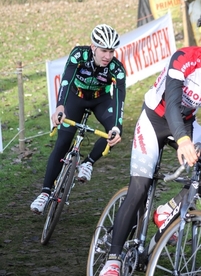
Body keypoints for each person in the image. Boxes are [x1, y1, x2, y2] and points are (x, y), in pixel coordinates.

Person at [99, 46, 201, 276]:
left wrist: (187, 136)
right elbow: (172, 104)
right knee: (140, 186)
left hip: (186, 122)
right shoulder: (185, 58)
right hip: (154, 119)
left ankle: (168, 210)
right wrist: (183, 140)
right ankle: (113, 260)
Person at [30, 24, 126, 214]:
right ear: (93, 47)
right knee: (63, 141)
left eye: (111, 51)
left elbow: (119, 99)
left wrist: (116, 125)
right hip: (76, 97)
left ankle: (88, 162)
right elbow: (65, 80)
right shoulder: (78, 55)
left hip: (101, 100)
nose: (108, 56)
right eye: (104, 51)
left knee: (115, 132)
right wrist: (60, 107)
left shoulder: (117, 68)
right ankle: (45, 192)